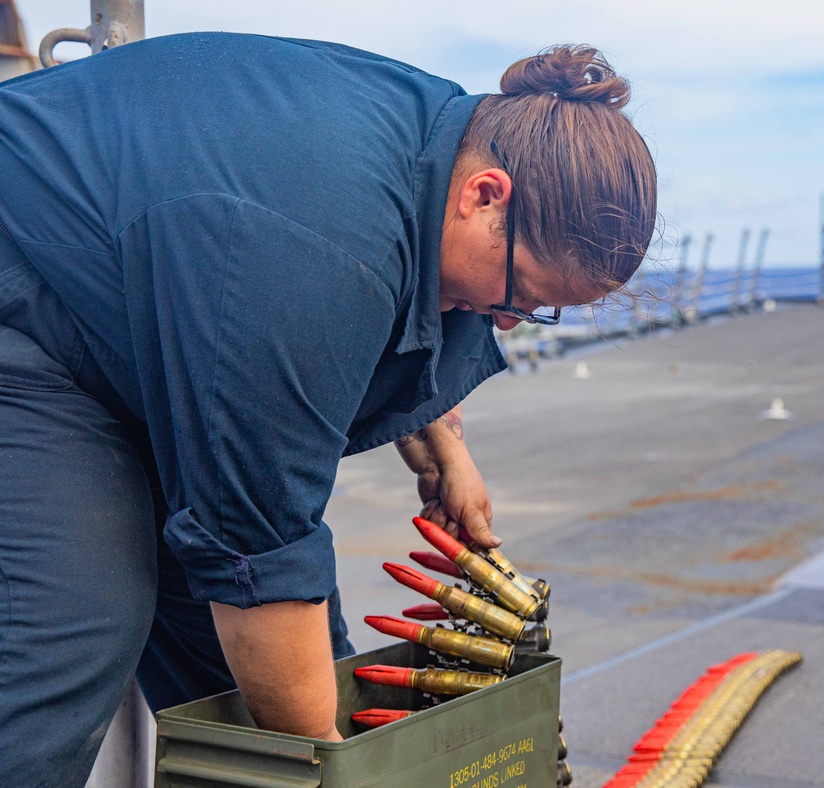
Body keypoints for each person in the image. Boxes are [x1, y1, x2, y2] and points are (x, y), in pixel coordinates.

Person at [0, 32, 656, 785]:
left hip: (128, 329)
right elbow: (256, 550)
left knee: (254, 676)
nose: (506, 321)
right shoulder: (308, 245)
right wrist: (340, 771)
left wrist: (443, 441)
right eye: (522, 298)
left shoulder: (446, 142)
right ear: (486, 195)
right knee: (73, 621)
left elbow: (406, 288)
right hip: (24, 306)